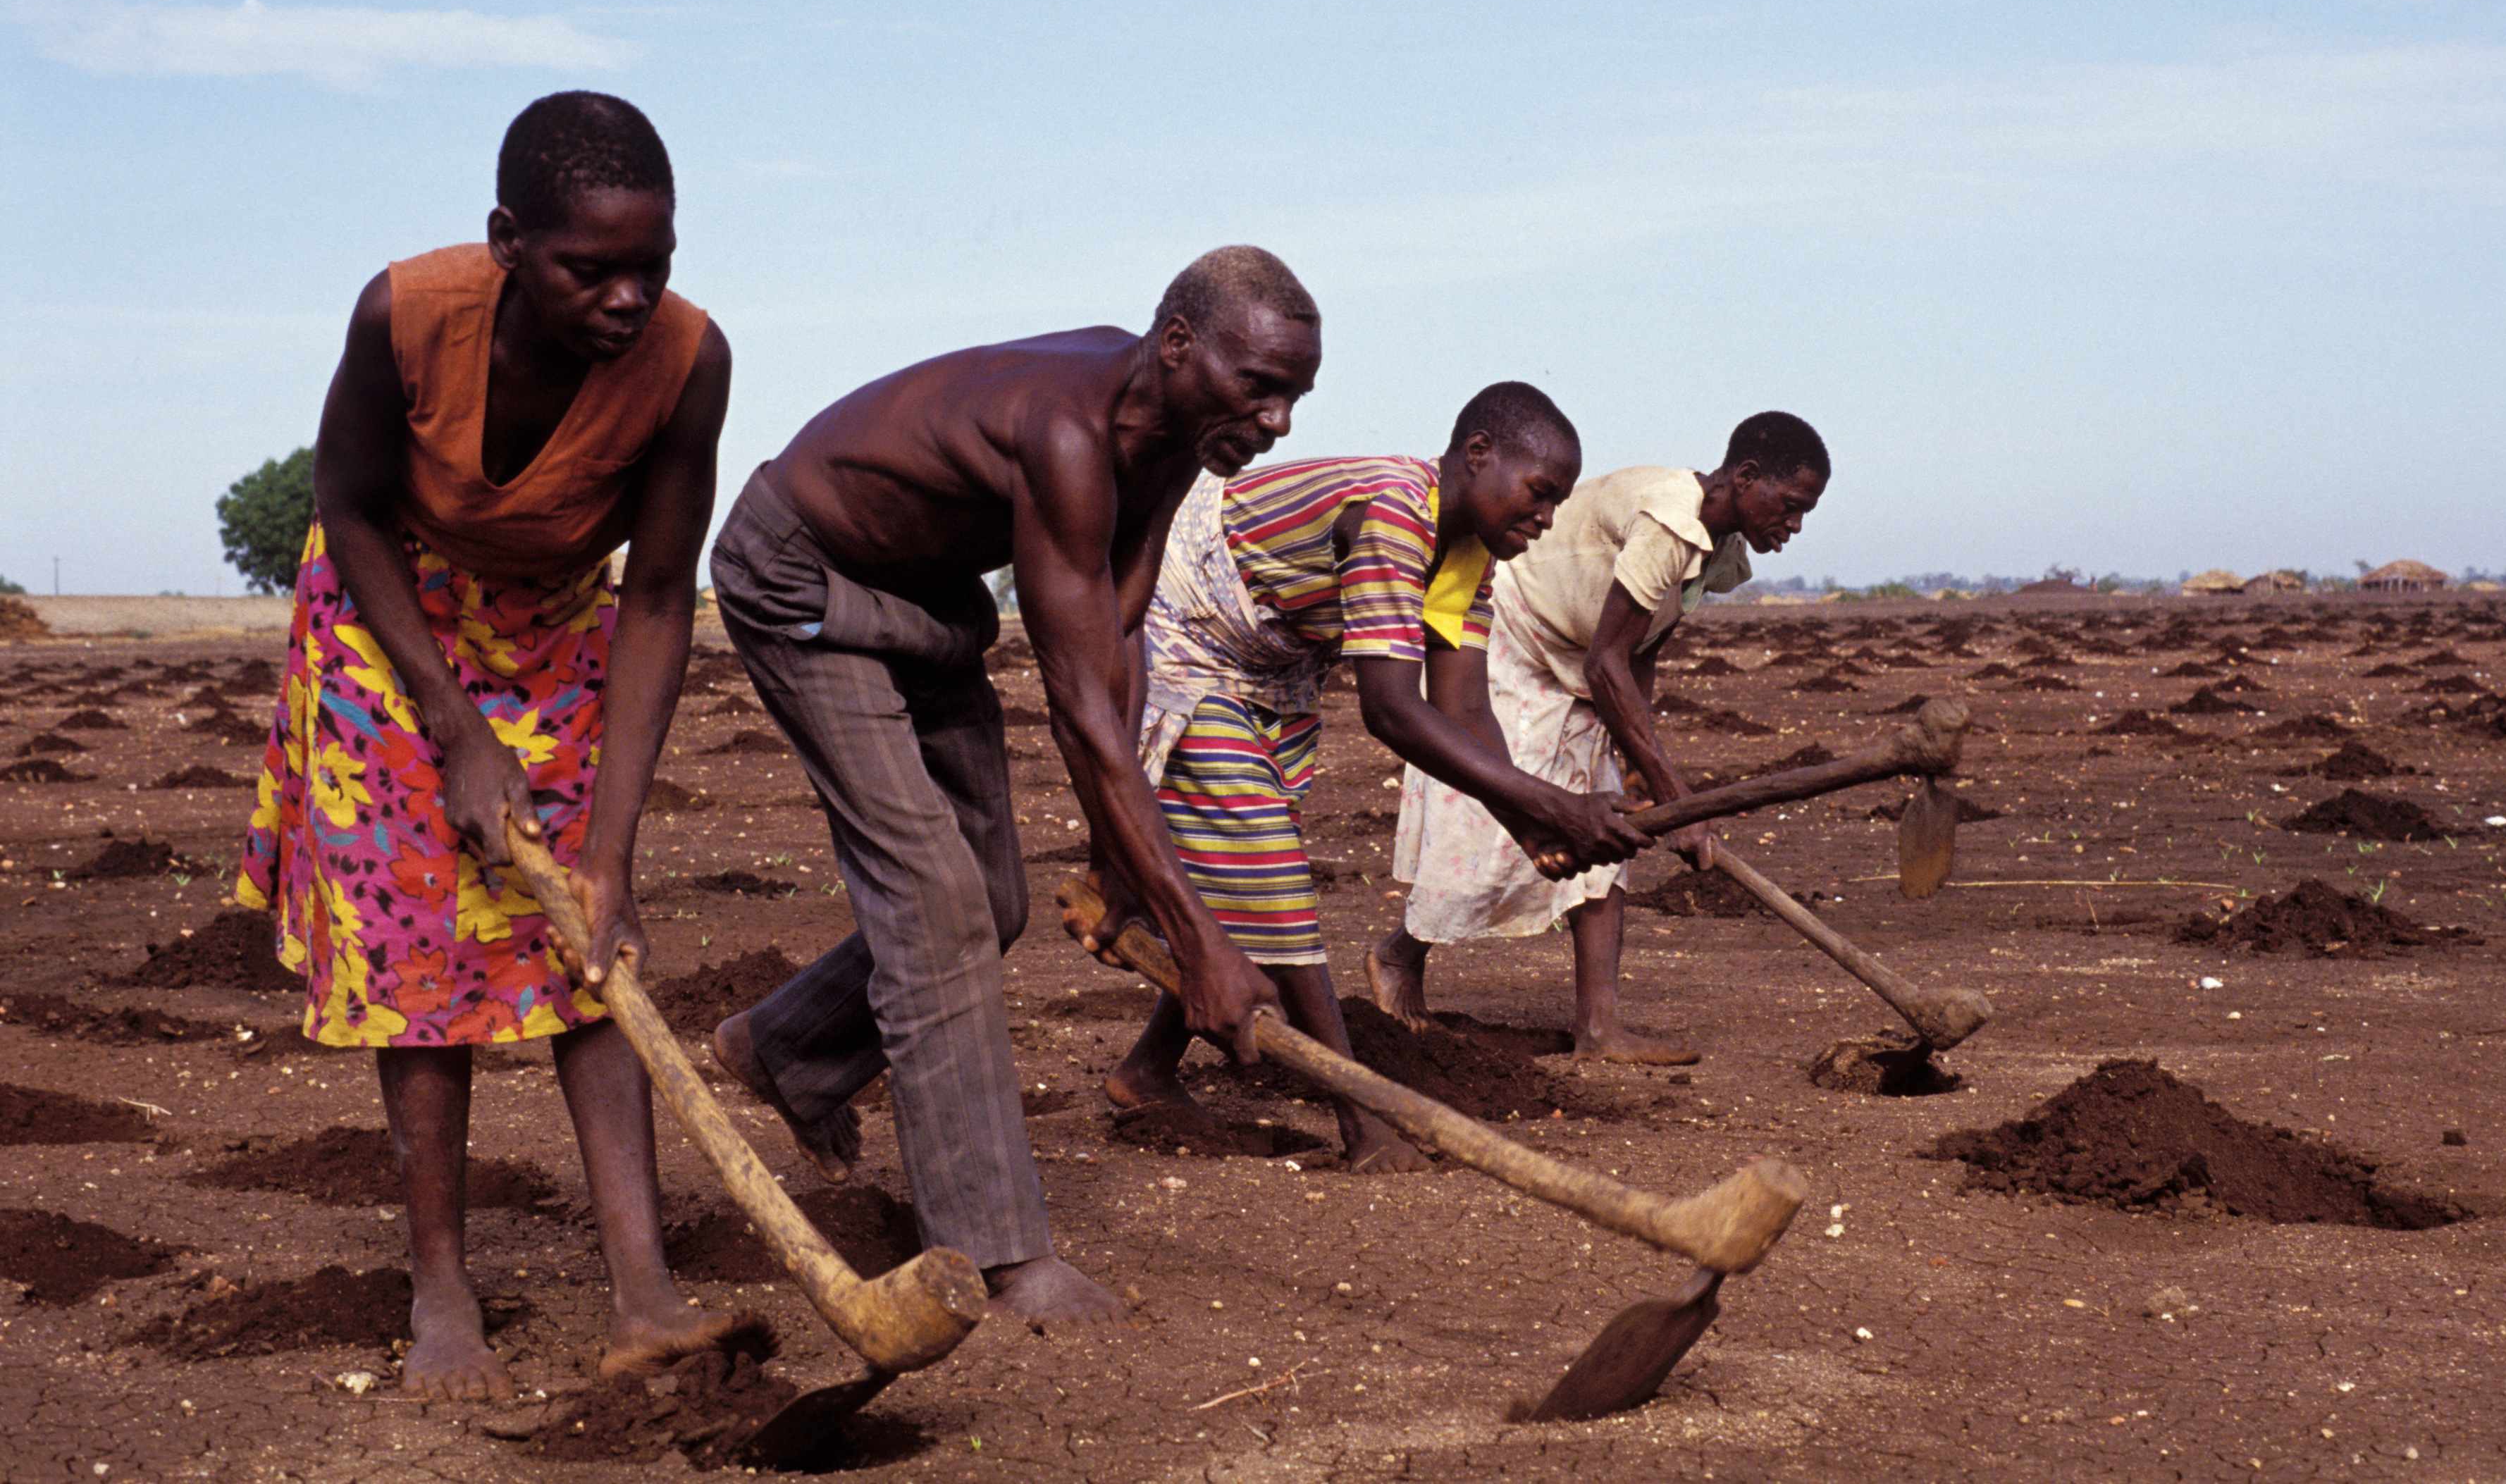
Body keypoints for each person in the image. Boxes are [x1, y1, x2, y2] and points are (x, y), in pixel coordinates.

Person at [706, 247, 1321, 1326]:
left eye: (1293, 398)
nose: (1276, 422)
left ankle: (787, 1047)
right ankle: (995, 1254)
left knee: (993, 898)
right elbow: (1080, 711)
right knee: (936, 909)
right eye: (1258, 387)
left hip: (926, 601)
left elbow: (1119, 638)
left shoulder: (1172, 436)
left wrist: (1114, 861)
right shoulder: (1069, 435)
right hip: (803, 579)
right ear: (1178, 347)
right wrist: (1200, 948)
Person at [235, 92, 739, 1401]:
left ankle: (644, 1290)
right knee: (418, 944)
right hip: (385, 614)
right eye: (593, 268)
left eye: (655, 265)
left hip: (560, 625)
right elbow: (344, 505)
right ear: (510, 239)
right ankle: (442, 1285)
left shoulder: (689, 362)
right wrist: (453, 733)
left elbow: (662, 596)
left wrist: (612, 852)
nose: (630, 298)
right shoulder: (404, 314)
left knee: (590, 935)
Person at [1102, 382, 1653, 1168]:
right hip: (1180, 628)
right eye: (1539, 493)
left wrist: (1531, 822)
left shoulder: (1466, 556)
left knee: (1250, 879)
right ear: (1477, 455)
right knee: (1268, 863)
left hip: (1266, 662)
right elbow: (1390, 710)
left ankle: (1147, 1070)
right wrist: (1550, 804)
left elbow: (1463, 708)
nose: (1546, 518)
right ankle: (1362, 1117)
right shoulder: (1396, 510)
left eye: (1558, 502)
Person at [1366, 412, 1832, 1062]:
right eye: (1790, 506)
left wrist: (1642, 770)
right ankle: (1398, 954)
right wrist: (1677, 793)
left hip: (1581, 660)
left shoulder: (1717, 549)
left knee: (1606, 831)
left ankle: (1599, 1028)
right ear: (1747, 478)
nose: (1794, 525)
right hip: (1512, 637)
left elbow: (1639, 650)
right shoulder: (1673, 519)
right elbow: (1607, 664)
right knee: (1495, 820)